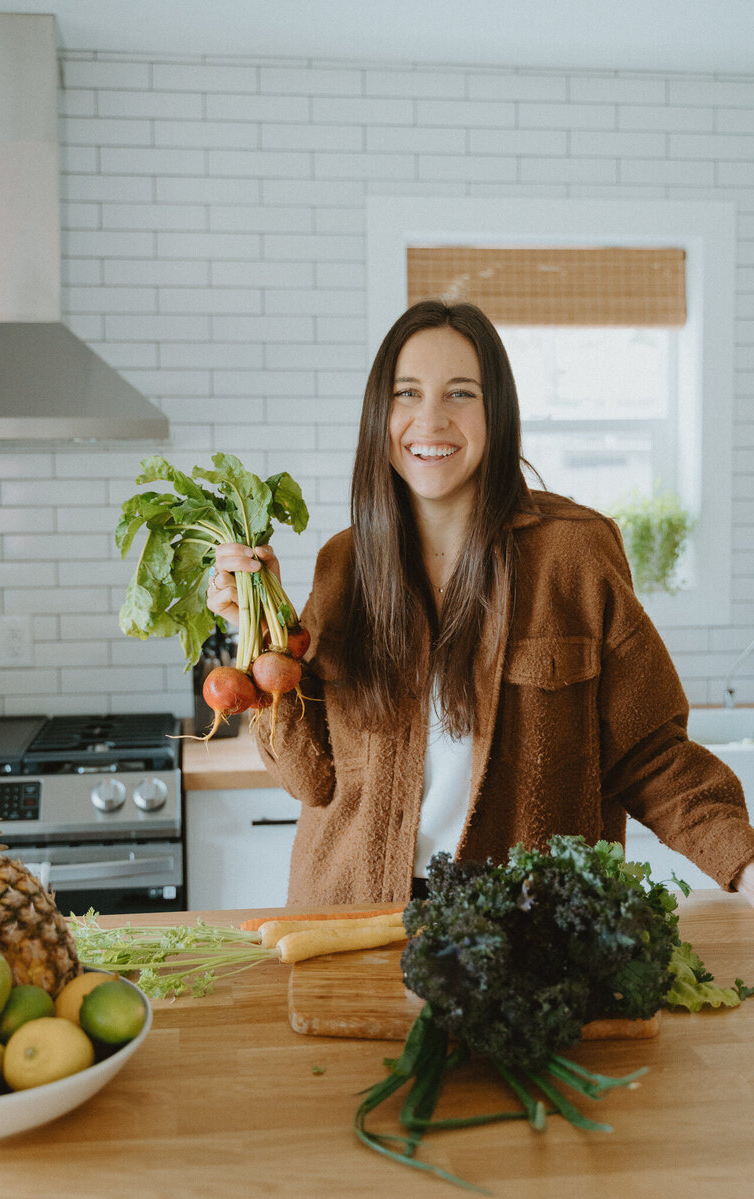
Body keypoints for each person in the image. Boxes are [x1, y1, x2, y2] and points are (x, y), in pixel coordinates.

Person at [207, 299, 754, 908]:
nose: (431, 419)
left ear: (498, 413)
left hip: (526, 929)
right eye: (407, 393)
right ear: (377, 415)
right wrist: (259, 642)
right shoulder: (345, 565)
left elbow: (650, 755)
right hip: (352, 920)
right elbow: (309, 779)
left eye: (461, 393)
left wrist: (746, 862)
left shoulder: (575, 553)